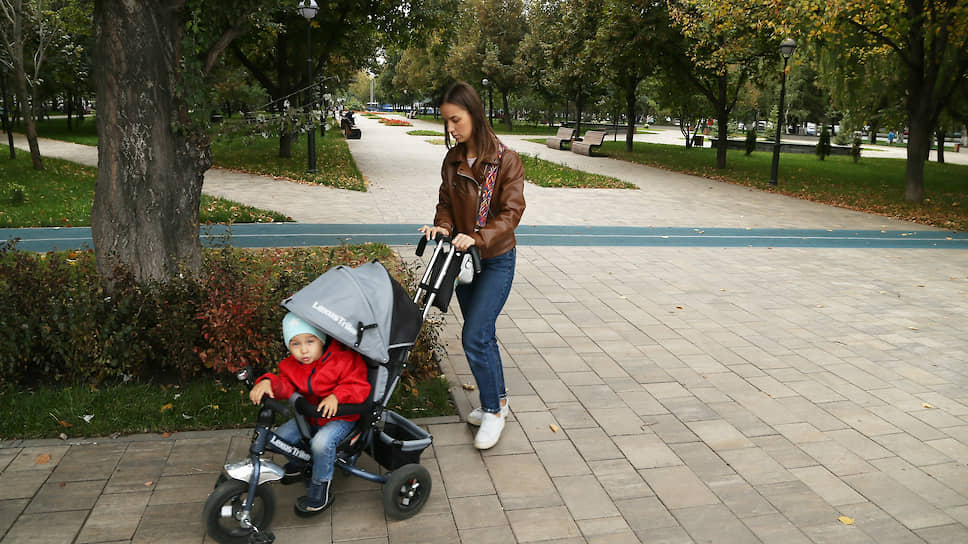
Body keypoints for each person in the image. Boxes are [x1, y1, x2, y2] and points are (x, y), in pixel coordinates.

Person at [419, 81, 526, 450]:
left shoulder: (505, 160)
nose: (451, 129)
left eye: (456, 120)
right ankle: (495, 400)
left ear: (474, 114)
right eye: (446, 121)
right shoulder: (452, 160)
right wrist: (443, 226)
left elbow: (512, 213)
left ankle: (494, 412)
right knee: (483, 335)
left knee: (474, 336)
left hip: (495, 260)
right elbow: (446, 202)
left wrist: (478, 238)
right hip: (462, 260)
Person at [249, 312, 371, 515]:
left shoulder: (343, 359)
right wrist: (268, 381)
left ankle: (320, 487)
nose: (303, 350)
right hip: (309, 417)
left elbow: (358, 386)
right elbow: (284, 385)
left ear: (321, 340)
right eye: (295, 344)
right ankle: (302, 463)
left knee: (321, 443)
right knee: (278, 439)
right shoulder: (291, 366)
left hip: (340, 419)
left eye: (310, 341)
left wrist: (337, 396)